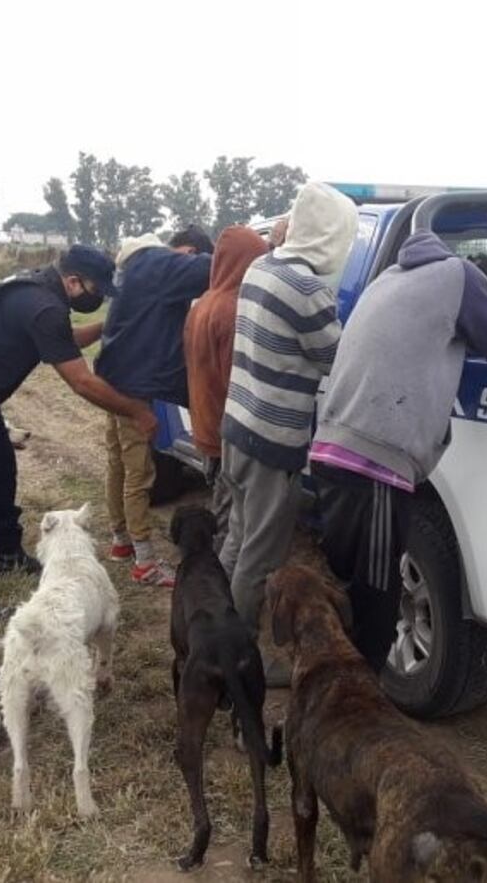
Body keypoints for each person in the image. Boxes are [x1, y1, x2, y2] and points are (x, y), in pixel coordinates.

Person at [309, 230, 487, 671]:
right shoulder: (462, 278)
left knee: (344, 583)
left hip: (331, 448)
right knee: (376, 596)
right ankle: (360, 701)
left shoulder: (388, 278)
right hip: (376, 463)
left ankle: (330, 679)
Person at [0, 245, 156, 626]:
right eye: (98, 289)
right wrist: (137, 410)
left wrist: (109, 328)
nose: (100, 298)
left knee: (1, 471)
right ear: (74, 281)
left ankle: (8, 554)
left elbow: (64, 340)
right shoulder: (43, 306)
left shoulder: (38, 292)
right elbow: (81, 382)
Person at [219, 182, 357, 674]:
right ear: (331, 236)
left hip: (236, 426)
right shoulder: (308, 291)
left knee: (237, 537)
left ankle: (217, 630)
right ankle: (242, 658)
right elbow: (335, 360)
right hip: (272, 443)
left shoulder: (263, 267)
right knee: (261, 556)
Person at [94, 226, 213, 587]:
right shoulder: (160, 264)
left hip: (112, 380)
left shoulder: (133, 267)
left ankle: (121, 541)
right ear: (187, 251)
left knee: (118, 464)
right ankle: (145, 562)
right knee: (139, 473)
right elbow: (214, 268)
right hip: (131, 389)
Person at [183, 226, 268, 548]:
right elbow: (239, 380)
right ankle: (220, 585)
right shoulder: (233, 310)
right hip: (225, 432)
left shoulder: (203, 303)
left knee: (221, 506)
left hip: (205, 425)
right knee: (230, 525)